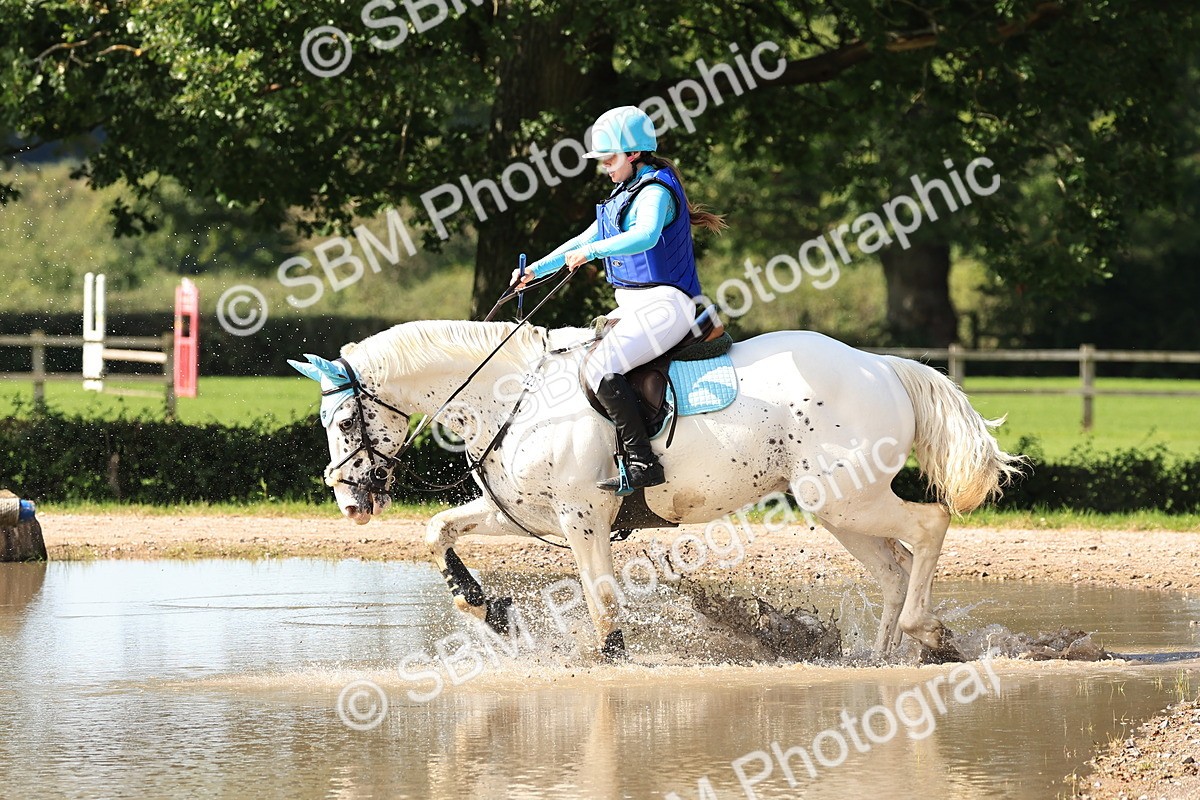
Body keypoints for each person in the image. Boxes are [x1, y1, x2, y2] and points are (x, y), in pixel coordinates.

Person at [513, 106, 725, 491]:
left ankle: (644, 462)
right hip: (634, 306)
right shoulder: (623, 193)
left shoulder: (656, 192)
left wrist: (594, 254)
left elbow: (645, 236)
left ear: (633, 154)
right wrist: (535, 272)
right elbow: (582, 240)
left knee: (600, 369)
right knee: (577, 358)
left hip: (667, 305)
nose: (606, 167)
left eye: (609, 158)